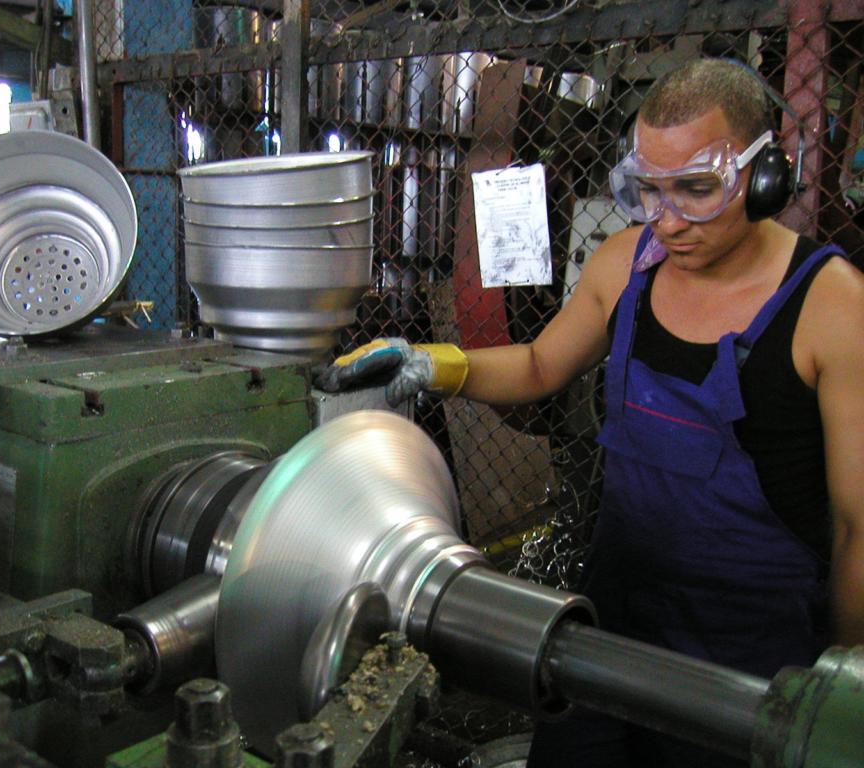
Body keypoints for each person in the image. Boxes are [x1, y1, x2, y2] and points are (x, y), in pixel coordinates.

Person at [316, 58, 864, 766]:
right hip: (610, 624)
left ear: (764, 178)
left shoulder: (832, 306)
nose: (669, 221)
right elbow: (542, 365)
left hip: (753, 654)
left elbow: (857, 525)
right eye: (649, 192)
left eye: (697, 190)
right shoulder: (624, 265)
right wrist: (437, 364)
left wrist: (845, 677)